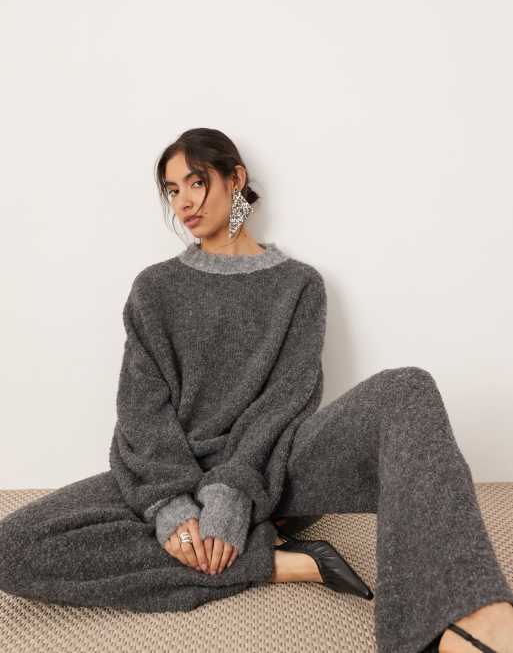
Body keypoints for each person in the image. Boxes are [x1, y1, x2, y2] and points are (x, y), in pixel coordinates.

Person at [0, 127, 512, 653]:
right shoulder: (154, 289)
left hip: (273, 467)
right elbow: (141, 409)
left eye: (196, 182)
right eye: (172, 190)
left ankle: (473, 614)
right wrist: (170, 503)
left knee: (406, 388)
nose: (184, 202)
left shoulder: (299, 285)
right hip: (172, 468)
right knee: (12, 547)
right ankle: (281, 561)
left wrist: (232, 493)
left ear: (236, 179)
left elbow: (287, 401)